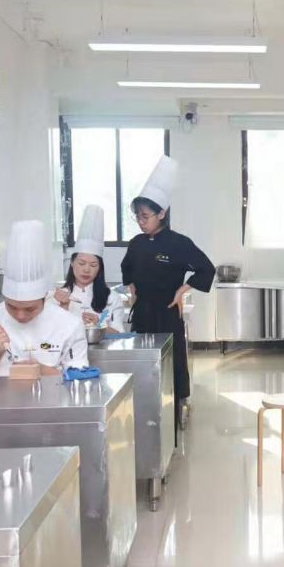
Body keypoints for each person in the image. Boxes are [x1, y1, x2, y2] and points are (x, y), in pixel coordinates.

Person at [120, 157, 215, 436]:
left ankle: (180, 403)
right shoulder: (136, 243)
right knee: (144, 361)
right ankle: (147, 408)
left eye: (145, 216)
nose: (141, 222)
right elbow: (126, 268)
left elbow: (206, 268)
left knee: (174, 361)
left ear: (162, 213)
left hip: (167, 311)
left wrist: (183, 289)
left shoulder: (178, 243)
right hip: (142, 313)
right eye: (138, 217)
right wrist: (131, 287)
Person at [0, 220, 88, 376]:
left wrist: (40, 369)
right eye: (12, 307)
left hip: (52, 392)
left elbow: (80, 377)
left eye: (30, 309)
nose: (20, 315)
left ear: (44, 298)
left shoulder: (69, 324)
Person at [51, 204, 127, 333]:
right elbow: (50, 334)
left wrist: (100, 325)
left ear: (100, 268)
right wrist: (64, 306)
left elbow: (119, 333)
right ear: (72, 263)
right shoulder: (58, 296)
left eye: (93, 265)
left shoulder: (111, 297)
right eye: (81, 263)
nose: (86, 270)